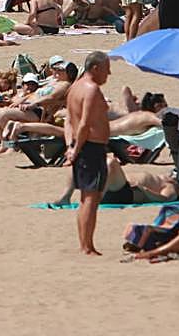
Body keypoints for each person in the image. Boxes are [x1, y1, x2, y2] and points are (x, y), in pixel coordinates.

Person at [57, 50, 112, 255]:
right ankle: (87, 246)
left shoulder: (74, 88)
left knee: (85, 198)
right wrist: (75, 149)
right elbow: (85, 123)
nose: (109, 74)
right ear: (95, 68)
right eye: (106, 69)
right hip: (91, 147)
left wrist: (70, 146)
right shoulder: (91, 89)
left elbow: (69, 121)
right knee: (91, 198)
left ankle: (85, 244)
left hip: (82, 146)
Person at [102, 156, 179, 205]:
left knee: (110, 162)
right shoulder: (162, 180)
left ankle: (98, 197)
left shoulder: (171, 186)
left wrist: (143, 189)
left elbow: (164, 199)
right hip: (118, 185)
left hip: (126, 190)